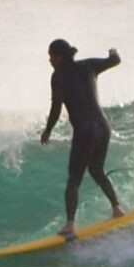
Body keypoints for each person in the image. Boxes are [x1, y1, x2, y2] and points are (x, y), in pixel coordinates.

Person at [39, 38, 124, 238]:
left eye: (50, 56)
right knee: (96, 169)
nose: (49, 60)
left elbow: (56, 107)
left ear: (58, 57)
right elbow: (115, 60)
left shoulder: (58, 76)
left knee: (73, 180)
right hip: (103, 127)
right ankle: (117, 209)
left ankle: (69, 225)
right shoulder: (89, 65)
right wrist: (112, 50)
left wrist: (48, 130)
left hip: (85, 130)